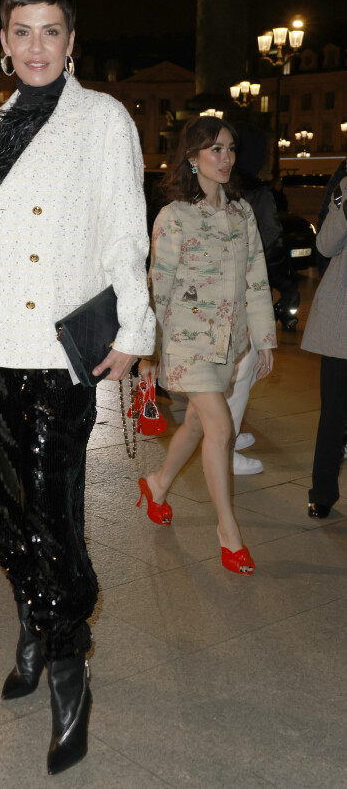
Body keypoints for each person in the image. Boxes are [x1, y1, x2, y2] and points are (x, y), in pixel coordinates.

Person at [0, 0, 155, 775]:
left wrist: (134, 327)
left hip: (53, 348)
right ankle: (32, 624)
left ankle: (69, 666)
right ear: (3, 42)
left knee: (51, 511)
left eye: (50, 31)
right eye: (21, 32)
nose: (35, 46)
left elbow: (126, 229)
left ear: (72, 42)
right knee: (5, 506)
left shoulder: (101, 117)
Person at [139, 116, 276, 575]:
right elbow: (157, 287)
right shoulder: (174, 217)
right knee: (220, 428)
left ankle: (157, 484)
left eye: (230, 149)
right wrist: (147, 349)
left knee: (198, 424)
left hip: (229, 344)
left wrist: (263, 339)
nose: (226, 158)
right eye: (215, 149)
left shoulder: (241, 213)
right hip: (186, 342)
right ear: (192, 157)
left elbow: (256, 278)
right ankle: (228, 533)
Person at [226, 122, 297, 475]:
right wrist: (285, 280)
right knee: (244, 371)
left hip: (227, 297)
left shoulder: (228, 188)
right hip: (245, 296)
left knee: (240, 373)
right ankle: (224, 441)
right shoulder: (256, 194)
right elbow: (271, 242)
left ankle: (224, 432)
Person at [301, 176, 347, 519]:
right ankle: (323, 492)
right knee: (334, 411)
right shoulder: (345, 188)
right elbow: (326, 245)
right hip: (342, 320)